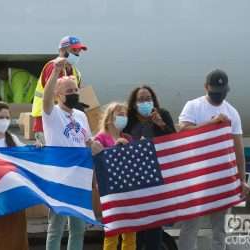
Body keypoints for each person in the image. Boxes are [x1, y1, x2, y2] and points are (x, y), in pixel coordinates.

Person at [178, 69, 249, 250]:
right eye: (215, 92)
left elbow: (238, 149)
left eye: (222, 92)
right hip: (195, 178)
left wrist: (241, 180)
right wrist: (212, 123)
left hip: (221, 180)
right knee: (190, 228)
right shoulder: (193, 106)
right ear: (205, 88)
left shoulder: (232, 112)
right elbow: (183, 130)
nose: (218, 96)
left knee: (219, 231)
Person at [42, 57, 102, 250]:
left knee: (78, 229)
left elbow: (87, 141)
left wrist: (95, 147)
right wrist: (55, 72)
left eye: (76, 90)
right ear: (59, 95)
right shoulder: (52, 114)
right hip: (59, 179)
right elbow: (45, 98)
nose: (74, 94)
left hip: (79, 180)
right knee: (56, 228)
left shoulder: (81, 115)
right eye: (69, 91)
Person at [123, 85, 176, 250]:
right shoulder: (127, 120)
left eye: (148, 99)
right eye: (141, 100)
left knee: (154, 228)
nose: (145, 102)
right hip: (135, 182)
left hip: (157, 181)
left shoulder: (163, 115)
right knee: (137, 231)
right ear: (134, 104)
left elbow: (174, 142)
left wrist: (161, 125)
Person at [0, 101, 28, 250]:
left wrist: (38, 148)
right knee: (0, 242)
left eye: (7, 118)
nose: (5, 121)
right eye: (1, 117)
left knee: (18, 241)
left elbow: (27, 157)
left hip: (16, 200)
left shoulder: (13, 139)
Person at [94, 102, 136, 250]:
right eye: (119, 114)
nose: (123, 118)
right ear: (109, 118)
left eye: (125, 115)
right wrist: (115, 148)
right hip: (109, 191)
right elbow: (97, 160)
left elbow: (134, 163)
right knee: (112, 233)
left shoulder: (129, 138)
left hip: (127, 189)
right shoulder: (100, 138)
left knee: (130, 233)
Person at [31, 35, 87, 145]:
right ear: (62, 50)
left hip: (64, 122)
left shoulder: (76, 72)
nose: (77, 54)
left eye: (79, 51)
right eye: (73, 50)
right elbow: (51, 95)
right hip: (46, 122)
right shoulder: (53, 67)